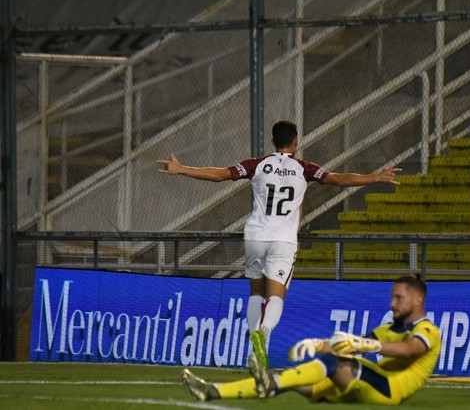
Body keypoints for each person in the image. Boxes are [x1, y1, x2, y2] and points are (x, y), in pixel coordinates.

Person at [157, 120, 401, 368]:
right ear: (296, 142)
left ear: (273, 141)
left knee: (256, 292)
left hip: (255, 236)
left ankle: (255, 349)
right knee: (276, 295)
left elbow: (220, 175)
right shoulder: (304, 168)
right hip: (282, 240)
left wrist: (182, 169)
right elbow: (338, 179)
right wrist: (374, 177)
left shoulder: (257, 165)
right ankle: (263, 333)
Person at [181, 274, 441, 405]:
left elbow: (408, 350)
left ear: (418, 300)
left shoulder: (427, 330)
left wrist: (367, 345)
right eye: (392, 297)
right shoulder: (389, 329)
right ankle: (213, 391)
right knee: (296, 379)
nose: (392, 303)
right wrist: (317, 344)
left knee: (333, 363)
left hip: (390, 390)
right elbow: (350, 344)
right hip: (369, 387)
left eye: (399, 298)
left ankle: (271, 382)